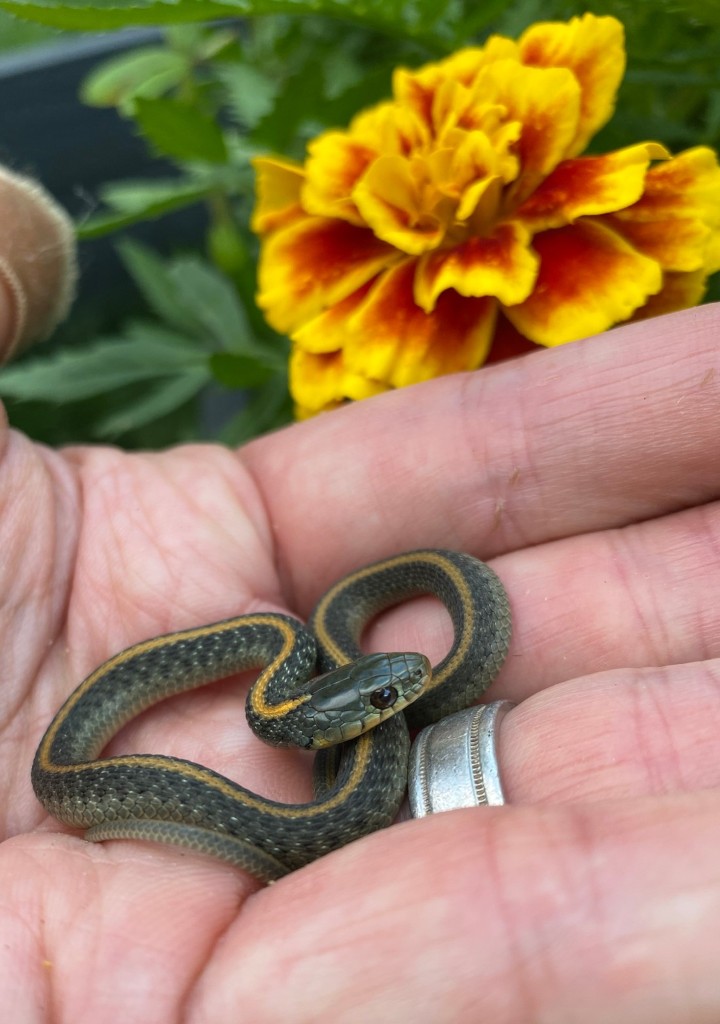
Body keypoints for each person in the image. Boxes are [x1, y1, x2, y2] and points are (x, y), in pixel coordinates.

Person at [1, 171, 719, 1022]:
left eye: (391, 695)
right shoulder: (278, 685)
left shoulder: (294, 666)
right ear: (329, 717)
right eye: (384, 698)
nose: (400, 691)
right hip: (78, 784)